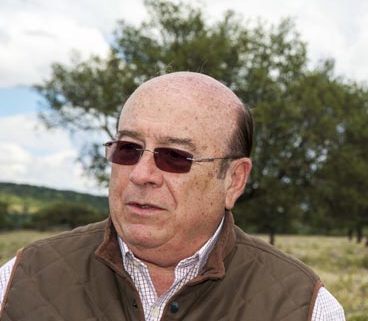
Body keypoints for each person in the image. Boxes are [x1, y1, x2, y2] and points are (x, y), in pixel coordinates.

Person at [0, 72, 345, 321]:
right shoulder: (20, 280)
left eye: (175, 157)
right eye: (128, 149)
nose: (141, 174)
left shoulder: (305, 307)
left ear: (234, 180)